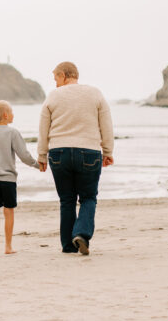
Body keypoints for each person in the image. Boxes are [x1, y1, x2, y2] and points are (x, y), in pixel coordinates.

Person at [37, 62, 114, 255]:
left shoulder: (53, 96)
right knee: (88, 198)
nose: (55, 84)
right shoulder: (95, 93)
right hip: (88, 151)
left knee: (67, 200)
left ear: (63, 75)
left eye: (56, 79)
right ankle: (81, 233)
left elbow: (43, 128)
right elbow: (106, 124)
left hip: (59, 152)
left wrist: (42, 155)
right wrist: (108, 151)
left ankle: (68, 245)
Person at [0, 100, 38, 257]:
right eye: (12, 112)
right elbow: (23, 155)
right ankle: (8, 246)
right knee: (9, 211)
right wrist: (37, 165)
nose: (13, 114)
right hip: (8, 179)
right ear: (6, 115)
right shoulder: (12, 133)